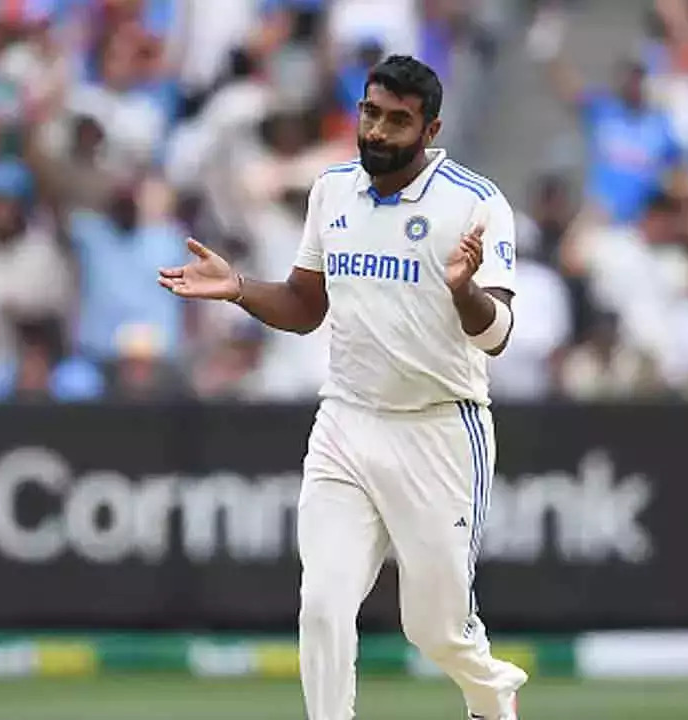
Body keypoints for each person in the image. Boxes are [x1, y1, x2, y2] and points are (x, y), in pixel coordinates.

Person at [158, 55, 527, 720]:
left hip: (440, 426)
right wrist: (239, 287)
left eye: (398, 121)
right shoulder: (332, 190)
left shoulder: (475, 202)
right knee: (323, 603)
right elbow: (305, 306)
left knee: (434, 629)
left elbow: (496, 334)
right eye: (370, 113)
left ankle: (490, 691)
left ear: (430, 128)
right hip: (347, 422)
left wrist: (463, 289)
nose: (379, 131)